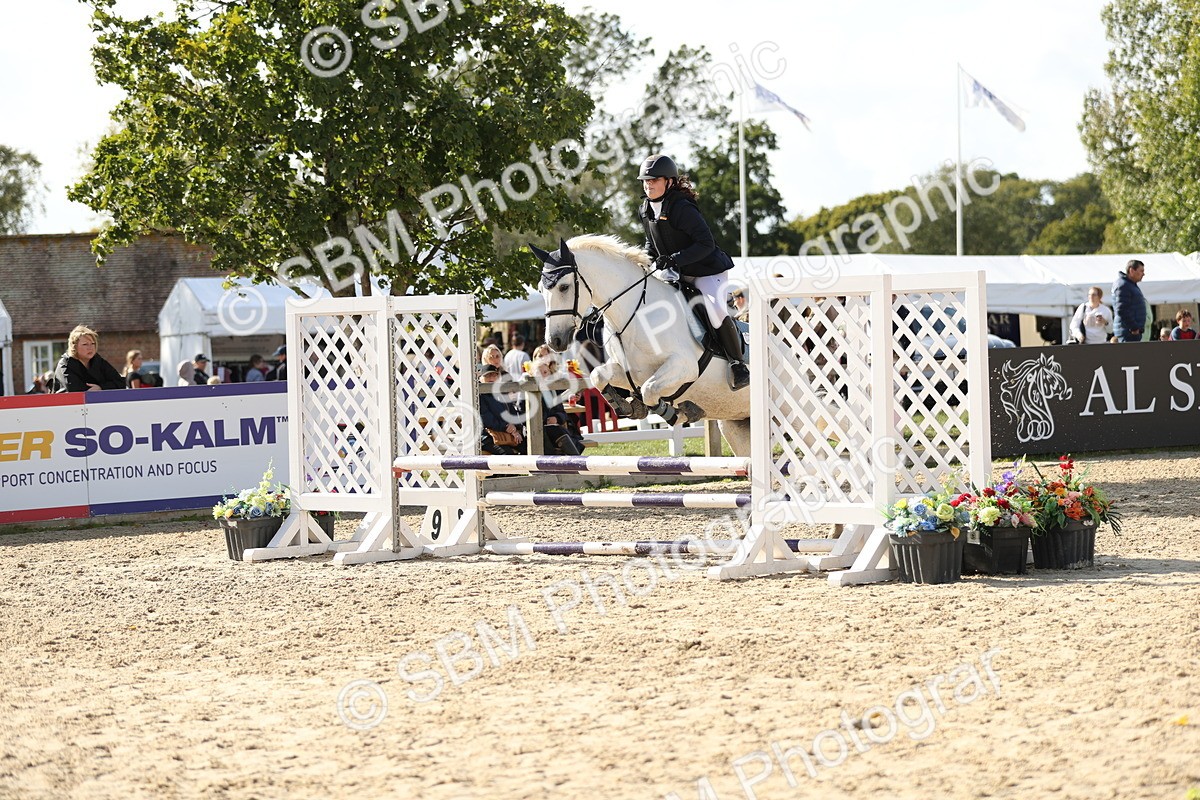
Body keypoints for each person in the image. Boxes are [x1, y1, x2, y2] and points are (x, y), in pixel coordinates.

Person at [638, 153, 750, 390]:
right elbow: (651, 243)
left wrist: (674, 259)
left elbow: (706, 244)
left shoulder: (682, 207)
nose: (648, 185)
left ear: (669, 182)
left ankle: (738, 365)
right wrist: (646, 260)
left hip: (707, 271)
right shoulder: (646, 208)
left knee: (716, 310)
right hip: (677, 272)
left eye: (654, 180)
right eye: (646, 181)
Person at [531, 345, 584, 455]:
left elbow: (561, 410)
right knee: (558, 431)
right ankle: (577, 459)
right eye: (540, 356)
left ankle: (575, 459)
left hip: (554, 424)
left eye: (546, 356)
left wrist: (556, 418)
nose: (543, 358)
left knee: (561, 429)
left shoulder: (556, 381)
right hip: (536, 427)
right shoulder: (528, 384)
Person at [52, 325, 125, 392]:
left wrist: (101, 387)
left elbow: (120, 382)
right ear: (74, 346)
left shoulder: (98, 360)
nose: (90, 348)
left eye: (93, 343)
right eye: (85, 344)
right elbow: (74, 390)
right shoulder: (65, 364)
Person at [478, 363, 523, 455]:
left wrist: (514, 429)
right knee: (507, 455)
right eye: (487, 375)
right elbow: (487, 420)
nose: (491, 378)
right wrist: (506, 427)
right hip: (487, 437)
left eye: (494, 375)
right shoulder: (479, 395)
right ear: (481, 378)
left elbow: (513, 414)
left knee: (530, 447)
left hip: (508, 435)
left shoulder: (502, 393)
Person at [1112, 259, 1148, 343]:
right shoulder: (1123, 285)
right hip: (1128, 333)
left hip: (1130, 332)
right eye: (1141, 271)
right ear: (1131, 270)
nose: (1143, 274)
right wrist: (1134, 328)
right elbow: (1121, 309)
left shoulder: (1129, 285)